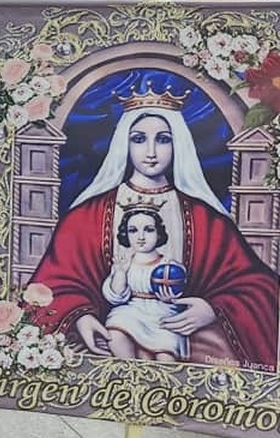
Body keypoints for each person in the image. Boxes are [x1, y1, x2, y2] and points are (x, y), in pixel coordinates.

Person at [29, 88, 278, 371]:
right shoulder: (87, 216)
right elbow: (54, 284)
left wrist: (212, 309)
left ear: (177, 144)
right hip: (117, 328)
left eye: (163, 139)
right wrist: (81, 317)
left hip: (177, 331)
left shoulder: (204, 219)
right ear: (124, 144)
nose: (150, 152)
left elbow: (258, 286)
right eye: (139, 139)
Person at [101, 205, 187, 362]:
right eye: (133, 230)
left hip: (161, 314)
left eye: (148, 230)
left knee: (166, 357)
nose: (141, 237)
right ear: (125, 234)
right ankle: (130, 370)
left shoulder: (169, 266)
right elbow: (116, 296)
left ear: (158, 233)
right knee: (115, 334)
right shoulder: (124, 263)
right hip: (131, 311)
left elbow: (180, 294)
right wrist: (120, 273)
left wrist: (170, 299)